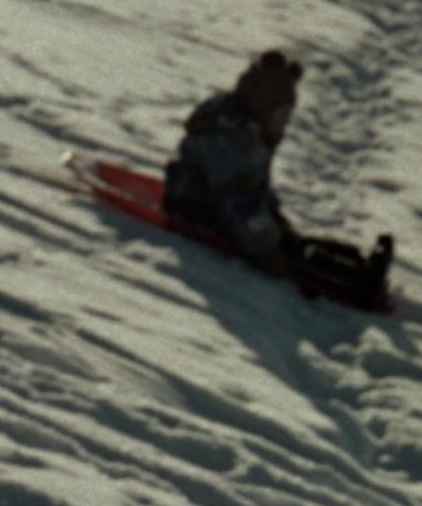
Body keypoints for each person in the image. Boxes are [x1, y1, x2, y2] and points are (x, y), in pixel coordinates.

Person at [165, 49, 395, 310]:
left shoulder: (251, 125)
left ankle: (356, 264)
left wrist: (274, 217)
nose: (284, 123)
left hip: (221, 203)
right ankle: (356, 284)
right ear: (263, 106)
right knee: (287, 255)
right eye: (280, 116)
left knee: (291, 241)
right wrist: (267, 249)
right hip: (196, 205)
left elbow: (255, 182)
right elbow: (236, 200)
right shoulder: (233, 135)